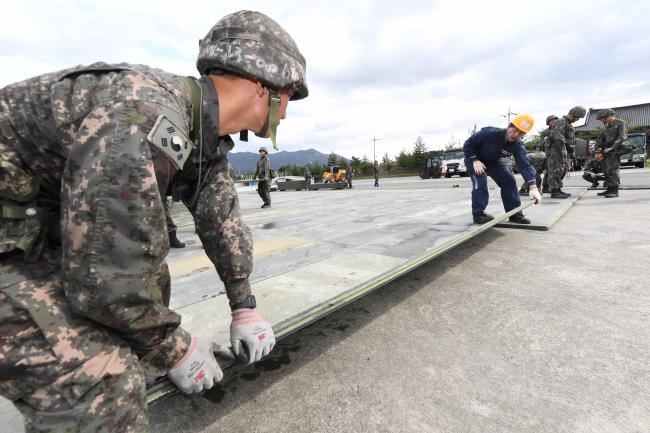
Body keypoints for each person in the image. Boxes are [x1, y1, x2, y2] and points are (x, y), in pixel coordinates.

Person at [0, 10, 308, 431]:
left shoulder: (201, 133)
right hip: (13, 244)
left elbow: (221, 220)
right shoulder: (143, 114)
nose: (285, 115)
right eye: (288, 99)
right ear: (264, 87)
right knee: (102, 387)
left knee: (150, 281)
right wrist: (172, 348)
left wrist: (245, 307)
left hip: (27, 233)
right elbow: (107, 279)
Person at [463, 114, 541, 225]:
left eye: (521, 133)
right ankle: (478, 215)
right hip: (475, 160)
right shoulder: (490, 133)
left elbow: (524, 165)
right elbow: (468, 144)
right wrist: (475, 160)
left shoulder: (518, 145)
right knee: (480, 183)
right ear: (509, 126)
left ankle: (514, 213)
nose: (516, 134)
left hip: (493, 161)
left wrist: (533, 188)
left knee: (509, 181)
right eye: (515, 130)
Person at [547, 106, 586, 198]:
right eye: (578, 118)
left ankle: (558, 189)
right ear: (574, 115)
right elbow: (559, 139)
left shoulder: (567, 122)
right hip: (557, 151)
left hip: (563, 151)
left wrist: (571, 153)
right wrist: (564, 154)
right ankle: (554, 191)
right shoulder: (561, 121)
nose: (578, 120)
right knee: (555, 171)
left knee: (561, 171)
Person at [594, 108, 627, 198]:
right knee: (606, 170)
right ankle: (609, 188)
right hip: (606, 151)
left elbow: (622, 137)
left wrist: (612, 148)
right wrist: (597, 149)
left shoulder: (620, 122)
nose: (601, 121)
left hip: (615, 151)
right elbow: (602, 138)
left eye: (601, 118)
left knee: (612, 170)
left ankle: (614, 190)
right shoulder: (608, 126)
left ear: (607, 116)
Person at [539, 114, 558, 193]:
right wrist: (547, 140)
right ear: (548, 122)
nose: (555, 121)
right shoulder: (545, 132)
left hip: (559, 153)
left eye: (556, 120)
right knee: (549, 170)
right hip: (549, 152)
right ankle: (546, 186)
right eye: (552, 120)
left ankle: (555, 186)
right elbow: (541, 143)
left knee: (557, 170)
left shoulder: (559, 129)